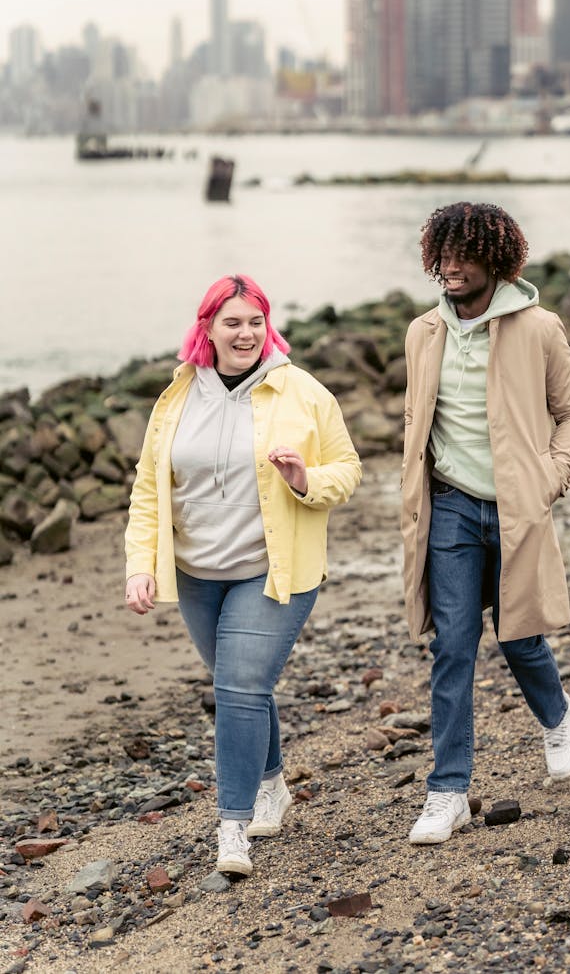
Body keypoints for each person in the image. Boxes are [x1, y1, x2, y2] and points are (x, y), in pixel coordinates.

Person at [124, 274, 361, 875]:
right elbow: (149, 489)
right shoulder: (176, 397)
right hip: (197, 577)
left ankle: (232, 828)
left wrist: (306, 481)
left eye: (256, 321)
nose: (246, 333)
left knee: (236, 690)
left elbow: (348, 467)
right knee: (243, 687)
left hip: (271, 572)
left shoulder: (302, 392)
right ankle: (272, 783)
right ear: (207, 327)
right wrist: (141, 567)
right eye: (233, 322)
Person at [401, 203, 570, 845]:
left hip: (516, 506)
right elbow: (419, 426)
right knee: (452, 647)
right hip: (452, 507)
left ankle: (558, 717)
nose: (449, 268)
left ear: (495, 260)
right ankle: (447, 792)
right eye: (443, 256)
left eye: (464, 256)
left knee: (519, 635)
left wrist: (553, 475)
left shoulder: (538, 328)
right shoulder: (423, 333)